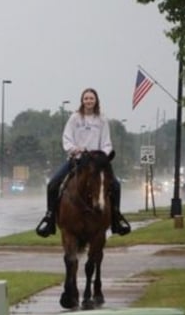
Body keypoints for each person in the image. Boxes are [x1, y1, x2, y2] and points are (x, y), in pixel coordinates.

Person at [35, 87, 131, 238]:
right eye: (86, 98)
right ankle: (50, 219)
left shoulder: (102, 119)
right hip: (77, 159)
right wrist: (74, 149)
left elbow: (107, 142)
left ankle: (116, 219)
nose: (88, 101)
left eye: (91, 98)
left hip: (97, 161)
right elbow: (67, 138)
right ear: (82, 101)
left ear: (96, 100)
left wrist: (102, 155)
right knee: (53, 184)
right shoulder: (74, 118)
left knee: (116, 185)